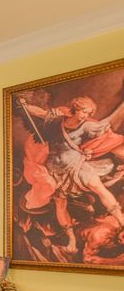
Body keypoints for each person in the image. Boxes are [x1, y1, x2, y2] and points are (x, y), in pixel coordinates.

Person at [19, 94, 124, 252]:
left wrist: (91, 149)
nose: (86, 116)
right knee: (61, 204)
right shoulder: (57, 120)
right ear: (75, 109)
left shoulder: (87, 126)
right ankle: (72, 241)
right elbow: (40, 113)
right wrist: (25, 106)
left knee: (99, 188)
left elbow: (105, 131)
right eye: (84, 112)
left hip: (77, 166)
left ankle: (122, 222)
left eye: (89, 113)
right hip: (55, 171)